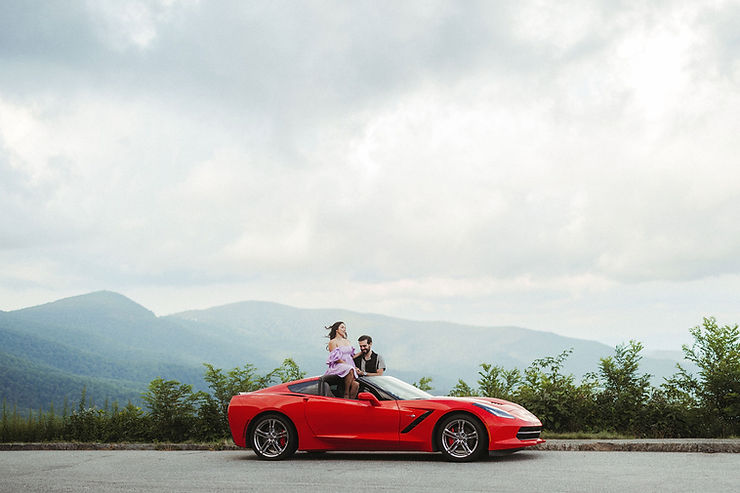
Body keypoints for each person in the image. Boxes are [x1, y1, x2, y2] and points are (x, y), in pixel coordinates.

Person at [324, 321, 359, 399]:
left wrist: (361, 353)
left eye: (345, 328)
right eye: (342, 327)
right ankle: (346, 393)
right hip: (338, 365)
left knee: (356, 385)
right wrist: (349, 366)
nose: (344, 329)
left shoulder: (347, 341)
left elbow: (352, 356)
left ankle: (351, 402)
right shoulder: (332, 342)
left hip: (350, 365)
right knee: (349, 369)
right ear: (337, 330)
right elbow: (335, 358)